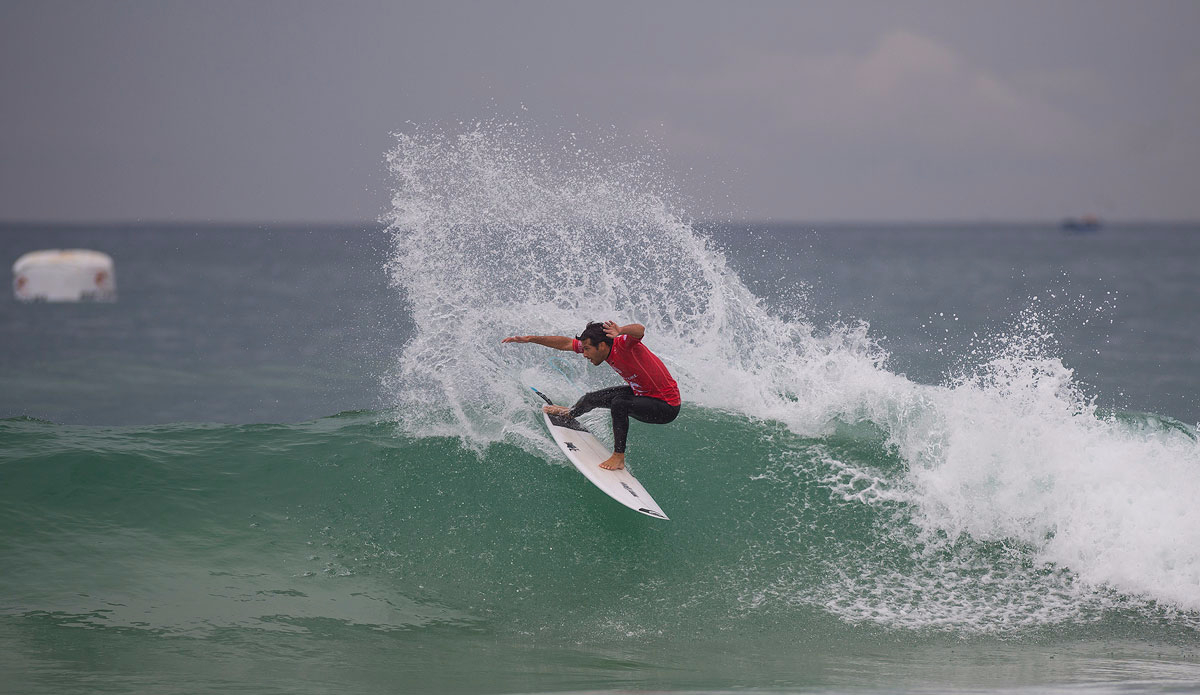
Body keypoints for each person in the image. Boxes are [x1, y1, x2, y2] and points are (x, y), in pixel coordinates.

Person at [502, 321, 681, 470]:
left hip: (665, 406)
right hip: (642, 393)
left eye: (587, 349)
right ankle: (570, 413)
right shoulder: (599, 346)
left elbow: (640, 330)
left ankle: (618, 457)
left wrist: (620, 330)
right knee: (590, 398)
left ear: (601, 345)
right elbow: (565, 343)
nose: (584, 353)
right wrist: (530, 339)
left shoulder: (624, 344)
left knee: (619, 403)